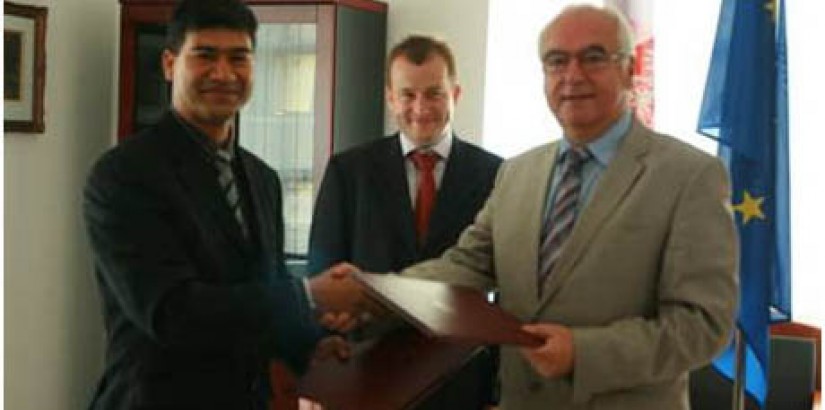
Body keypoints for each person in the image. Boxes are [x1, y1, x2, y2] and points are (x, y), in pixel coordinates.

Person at [357, 5, 738, 410]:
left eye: (593, 57)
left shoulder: (690, 176)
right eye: (557, 61)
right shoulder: (517, 173)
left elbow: (703, 326)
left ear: (629, 70)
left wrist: (583, 352)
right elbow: (465, 266)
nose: (573, 75)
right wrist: (373, 295)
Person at [83, 0, 360, 408]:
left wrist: (310, 346)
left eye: (239, 58)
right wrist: (307, 296)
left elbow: (263, 287)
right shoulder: (124, 175)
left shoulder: (262, 179)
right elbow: (173, 312)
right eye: (205, 55)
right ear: (168, 64)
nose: (224, 73)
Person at [307, 35, 502, 409]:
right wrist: (319, 380)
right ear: (389, 97)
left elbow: (507, 288)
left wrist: (499, 389)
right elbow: (325, 274)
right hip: (364, 374)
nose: (420, 107)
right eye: (408, 94)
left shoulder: (497, 174)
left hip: (459, 378)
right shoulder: (350, 171)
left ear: (455, 94)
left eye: (434, 94)